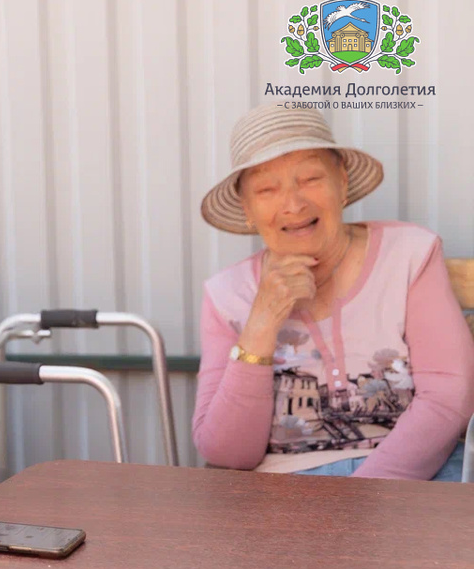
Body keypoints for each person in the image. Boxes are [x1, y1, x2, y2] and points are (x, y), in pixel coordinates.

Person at [193, 104, 474, 480]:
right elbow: (227, 453)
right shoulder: (226, 294)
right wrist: (261, 321)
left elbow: (448, 399)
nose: (293, 204)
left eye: (310, 178)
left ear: (341, 182)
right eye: (266, 188)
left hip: (418, 481)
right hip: (284, 499)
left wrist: (358, 506)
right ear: (247, 208)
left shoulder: (410, 255)